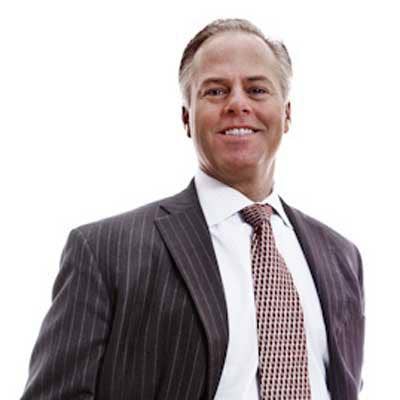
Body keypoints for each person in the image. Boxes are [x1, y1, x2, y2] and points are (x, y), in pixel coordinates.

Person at [21, 18, 365, 400]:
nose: (238, 104)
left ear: (287, 114)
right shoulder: (105, 252)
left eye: (257, 89)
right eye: (216, 91)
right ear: (187, 117)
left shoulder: (342, 258)